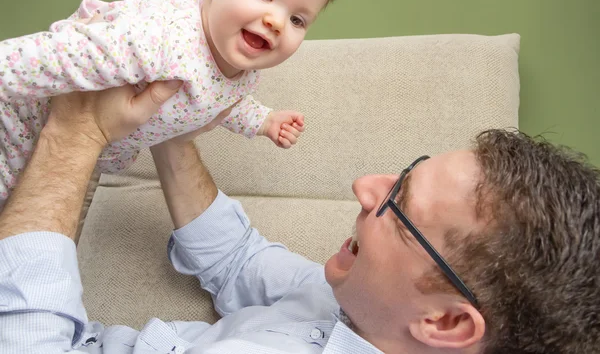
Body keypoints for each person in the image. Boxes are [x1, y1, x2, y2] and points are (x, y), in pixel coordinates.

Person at [1, 85, 599, 354]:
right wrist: (172, 121)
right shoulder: (363, 307)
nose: (366, 186)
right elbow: (239, 260)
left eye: (399, 205)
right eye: (405, 171)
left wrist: (75, 133)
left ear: (443, 322)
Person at [0, 0, 345, 206]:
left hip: (71, 153)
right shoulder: (167, 38)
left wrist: (264, 121)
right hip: (27, 119)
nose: (277, 21)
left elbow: (226, 99)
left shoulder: (245, 73)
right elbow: (69, 55)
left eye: (298, 20)